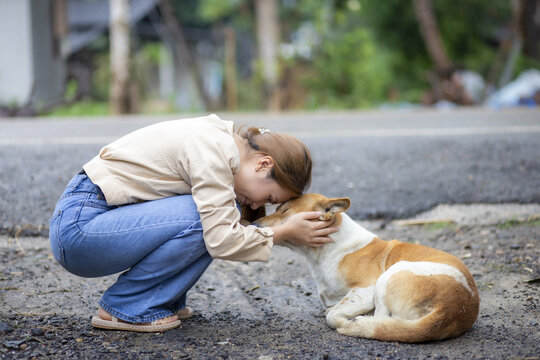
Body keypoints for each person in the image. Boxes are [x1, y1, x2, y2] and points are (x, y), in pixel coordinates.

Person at [49, 114, 337, 332]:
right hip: (80, 229)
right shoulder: (213, 148)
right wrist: (282, 231)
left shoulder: (220, 143)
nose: (257, 205)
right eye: (269, 196)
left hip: (92, 225)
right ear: (263, 164)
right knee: (214, 219)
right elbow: (222, 238)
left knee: (220, 214)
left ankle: (159, 299)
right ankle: (127, 306)